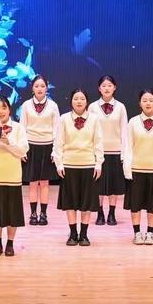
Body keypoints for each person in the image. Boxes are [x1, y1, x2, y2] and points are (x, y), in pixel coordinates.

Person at [53, 89, 104, 247]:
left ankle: (84, 234)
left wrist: (98, 163)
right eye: (76, 98)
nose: (79, 101)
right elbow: (58, 142)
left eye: (82, 98)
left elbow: (98, 142)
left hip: (88, 164)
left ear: (87, 101)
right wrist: (59, 163)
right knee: (70, 202)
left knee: (86, 203)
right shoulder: (64, 119)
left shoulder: (94, 119)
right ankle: (73, 233)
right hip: (69, 165)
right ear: (71, 101)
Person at [0, 96, 29, 257]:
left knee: (12, 212)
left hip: (12, 175)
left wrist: (8, 143)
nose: (0, 111)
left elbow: (23, 150)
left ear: (9, 109)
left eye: (3, 108)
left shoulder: (19, 128)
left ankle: (10, 243)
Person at [123, 89, 153, 245]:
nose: (148, 103)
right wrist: (127, 169)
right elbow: (127, 146)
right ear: (139, 103)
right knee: (135, 205)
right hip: (136, 169)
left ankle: (150, 233)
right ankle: (137, 233)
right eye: (144, 100)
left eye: (151, 100)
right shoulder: (133, 122)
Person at [19, 75, 60, 226]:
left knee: (44, 183)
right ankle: (33, 214)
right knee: (32, 183)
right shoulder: (26, 105)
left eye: (42, 86)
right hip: (31, 147)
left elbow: (57, 129)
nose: (39, 89)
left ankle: (43, 213)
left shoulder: (53, 105)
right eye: (36, 86)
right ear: (32, 88)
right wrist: (22, 150)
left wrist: (55, 151)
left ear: (46, 88)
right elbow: (22, 128)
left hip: (47, 147)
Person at [89, 75, 127, 226]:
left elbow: (124, 130)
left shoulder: (121, 107)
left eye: (109, 85)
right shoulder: (92, 107)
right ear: (99, 88)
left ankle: (112, 213)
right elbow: (90, 130)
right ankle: (100, 213)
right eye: (104, 85)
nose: (107, 88)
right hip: (98, 152)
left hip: (116, 151)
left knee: (113, 186)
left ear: (114, 88)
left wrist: (124, 153)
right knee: (98, 185)